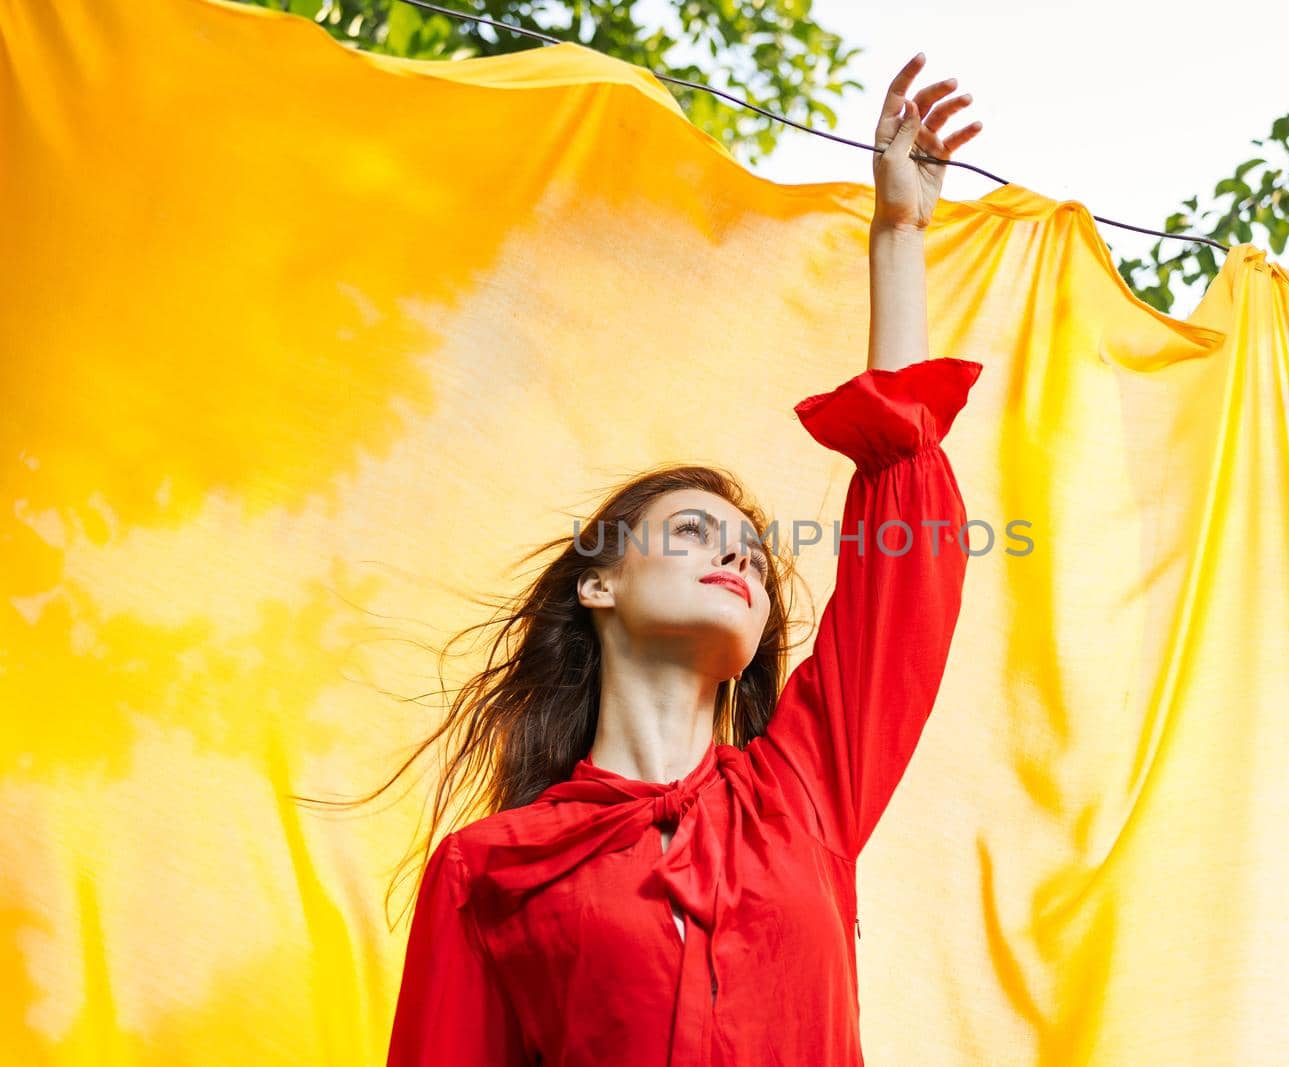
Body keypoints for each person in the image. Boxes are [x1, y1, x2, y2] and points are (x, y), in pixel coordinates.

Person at [385, 51, 985, 1066]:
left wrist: (898, 235)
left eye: (753, 552)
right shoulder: (485, 871)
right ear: (600, 580)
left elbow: (907, 545)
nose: (740, 557)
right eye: (696, 531)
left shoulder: (804, 793)